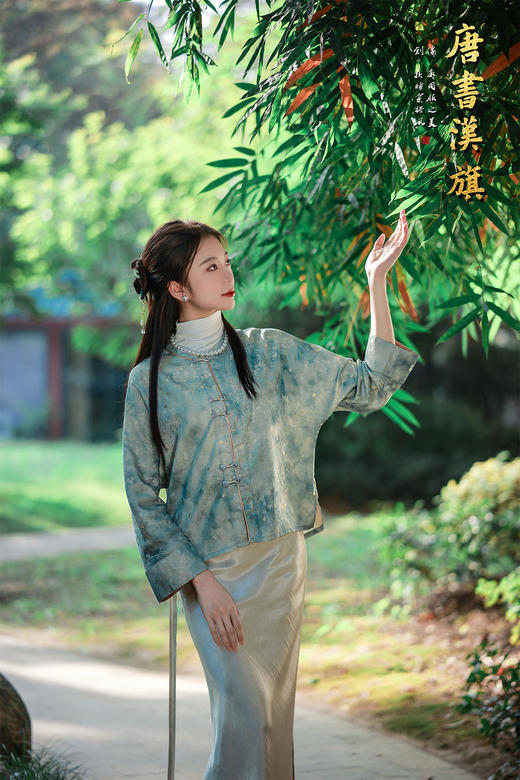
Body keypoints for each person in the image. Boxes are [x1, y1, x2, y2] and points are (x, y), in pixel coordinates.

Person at [122, 209, 418, 780]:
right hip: (210, 575)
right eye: (211, 266)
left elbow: (371, 385)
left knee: (271, 723)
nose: (227, 273)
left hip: (281, 563)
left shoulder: (271, 354)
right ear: (178, 288)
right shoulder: (149, 382)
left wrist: (377, 282)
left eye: (227, 261)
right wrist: (202, 584)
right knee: (248, 718)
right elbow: (141, 496)